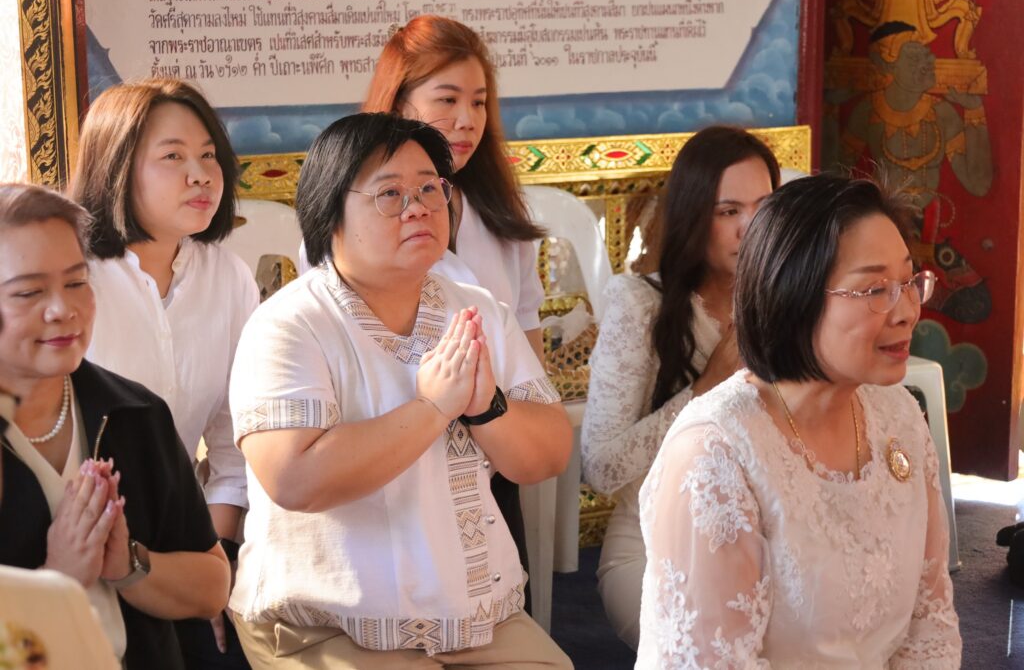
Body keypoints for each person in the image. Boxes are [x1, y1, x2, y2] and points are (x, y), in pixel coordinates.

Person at [228, 113, 572, 668]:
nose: (418, 208)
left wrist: (487, 407)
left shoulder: (478, 309)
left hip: (476, 619)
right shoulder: (288, 324)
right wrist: (433, 407)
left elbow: (549, 455)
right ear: (329, 212)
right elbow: (293, 479)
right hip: (325, 624)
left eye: (430, 189)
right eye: (390, 194)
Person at [636, 174, 961, 667]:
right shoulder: (715, 454)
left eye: (910, 282)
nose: (907, 312)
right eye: (875, 289)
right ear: (794, 295)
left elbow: (930, 626)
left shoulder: (897, 415)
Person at [0, 183, 230, 669]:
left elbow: (212, 587)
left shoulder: (134, 412)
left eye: (76, 282)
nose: (63, 309)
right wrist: (58, 580)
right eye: (29, 292)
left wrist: (129, 564)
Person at [69, 78, 259, 667]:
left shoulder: (228, 278)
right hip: (73, 537)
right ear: (117, 168)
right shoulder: (74, 279)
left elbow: (234, 444)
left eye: (209, 155)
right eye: (173, 157)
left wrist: (215, 555)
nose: (201, 175)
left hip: (186, 545)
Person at [361, 15, 550, 595]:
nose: (467, 119)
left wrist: (513, 426)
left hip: (494, 452)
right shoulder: (355, 218)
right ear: (399, 103)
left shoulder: (500, 218)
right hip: (394, 465)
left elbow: (532, 365)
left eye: (479, 102)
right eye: (447, 100)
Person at [580, 126, 779, 649]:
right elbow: (601, 468)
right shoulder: (640, 305)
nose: (751, 227)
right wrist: (706, 389)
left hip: (774, 539)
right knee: (722, 644)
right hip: (656, 546)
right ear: (694, 217)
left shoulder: (793, 304)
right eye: (728, 211)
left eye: (764, 207)